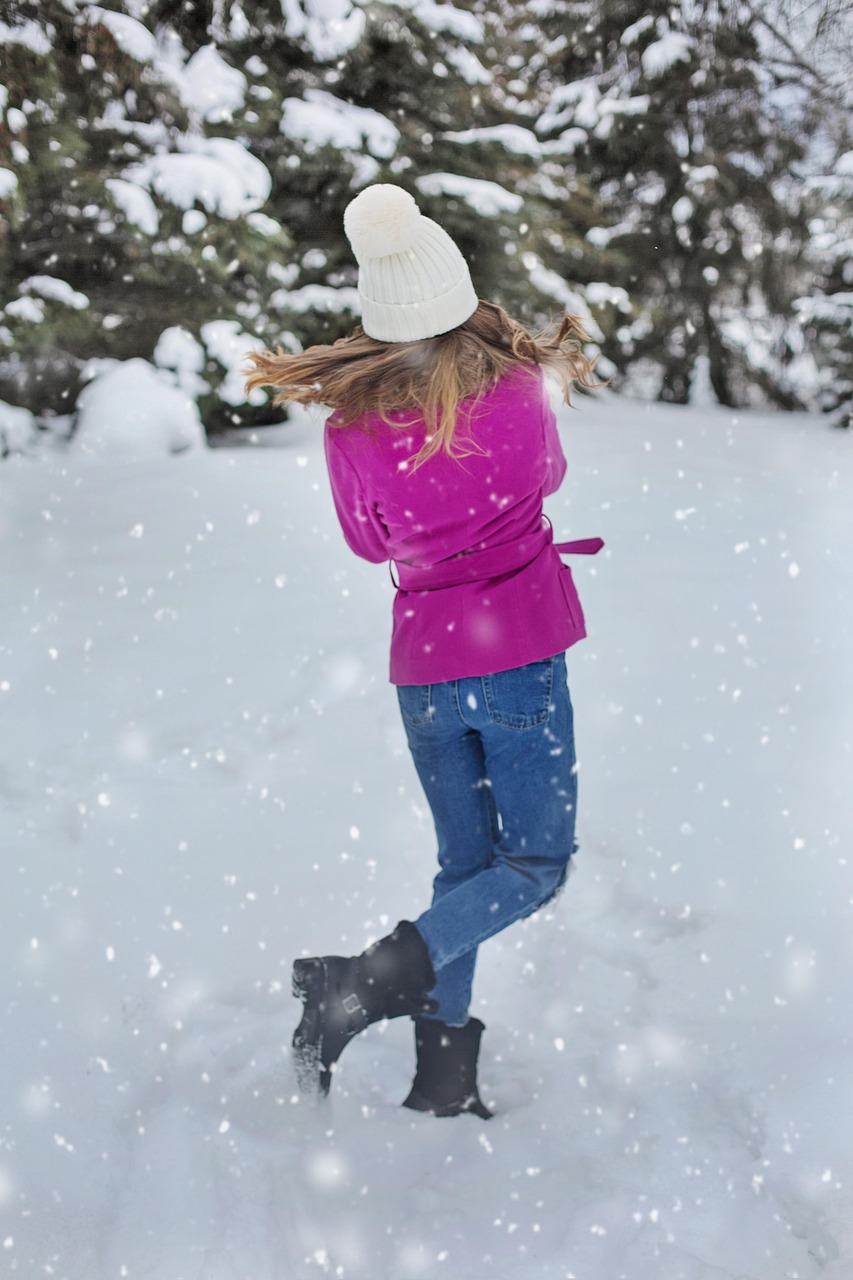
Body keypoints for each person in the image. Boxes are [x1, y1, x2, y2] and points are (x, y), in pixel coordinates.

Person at [245, 184, 602, 1118]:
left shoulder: (350, 428)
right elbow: (549, 476)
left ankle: (442, 1081)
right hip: (519, 654)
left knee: (466, 869)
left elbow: (369, 544)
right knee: (531, 867)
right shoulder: (522, 389)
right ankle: (358, 983)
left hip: (428, 671)